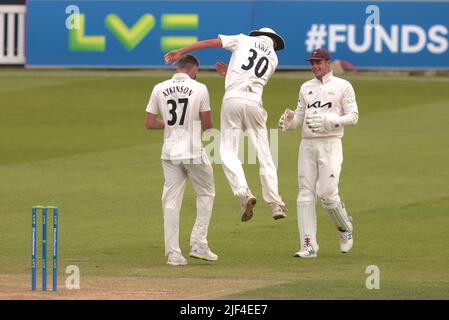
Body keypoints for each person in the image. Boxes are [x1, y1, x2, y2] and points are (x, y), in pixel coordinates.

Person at [164, 27, 287, 222]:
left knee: (228, 151)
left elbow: (210, 43)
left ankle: (243, 192)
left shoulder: (243, 40)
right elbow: (251, 77)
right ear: (272, 41)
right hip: (255, 102)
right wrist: (230, 74)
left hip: (233, 100)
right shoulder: (274, 58)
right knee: (265, 155)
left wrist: (182, 51)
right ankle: (276, 204)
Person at [278, 48, 359, 258]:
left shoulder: (343, 86)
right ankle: (309, 246)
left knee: (327, 195)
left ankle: (345, 229)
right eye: (312, 63)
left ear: (328, 63)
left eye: (319, 62)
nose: (315, 66)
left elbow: (353, 117)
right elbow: (299, 117)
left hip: (330, 144)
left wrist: (332, 120)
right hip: (307, 145)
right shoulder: (306, 87)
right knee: (305, 195)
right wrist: (289, 122)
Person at [145, 54, 218, 266]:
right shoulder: (200, 88)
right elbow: (207, 126)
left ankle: (173, 255)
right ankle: (198, 244)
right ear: (193, 70)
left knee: (170, 202)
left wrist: (170, 125)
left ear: (178, 67)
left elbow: (150, 123)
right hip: (193, 151)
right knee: (205, 193)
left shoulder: (159, 87)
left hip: (169, 152)